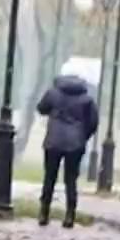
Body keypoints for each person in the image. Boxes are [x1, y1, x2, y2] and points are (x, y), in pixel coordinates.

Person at [36, 69, 100, 227]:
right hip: (75, 143)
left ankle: (44, 213)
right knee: (71, 180)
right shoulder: (87, 100)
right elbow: (93, 123)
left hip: (53, 141)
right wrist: (82, 135)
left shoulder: (53, 94)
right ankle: (70, 215)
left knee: (49, 177)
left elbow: (41, 108)